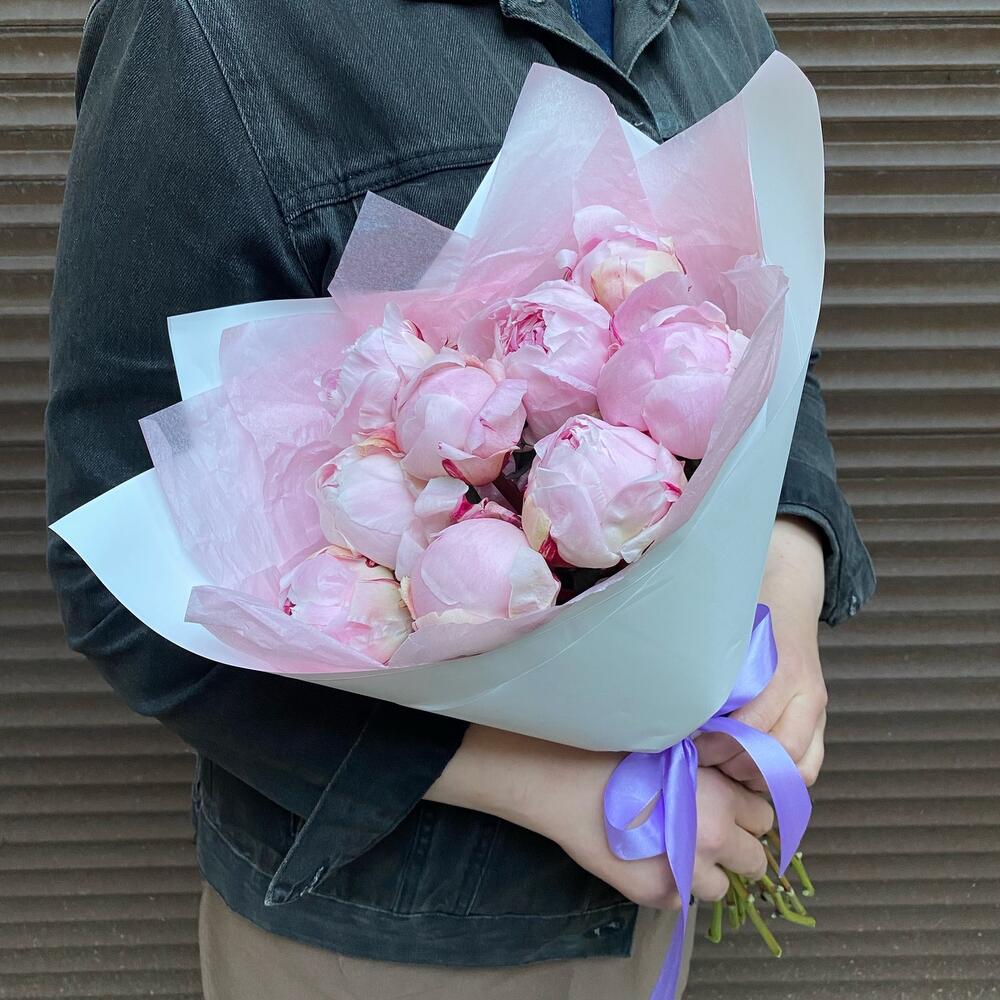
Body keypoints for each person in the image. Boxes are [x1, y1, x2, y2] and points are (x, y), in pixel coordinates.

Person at [45, 1, 876, 997]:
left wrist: (787, 577)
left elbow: (771, 339)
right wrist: (559, 785)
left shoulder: (710, 12)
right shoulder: (210, 27)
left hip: (661, 875)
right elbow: (126, 569)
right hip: (393, 933)